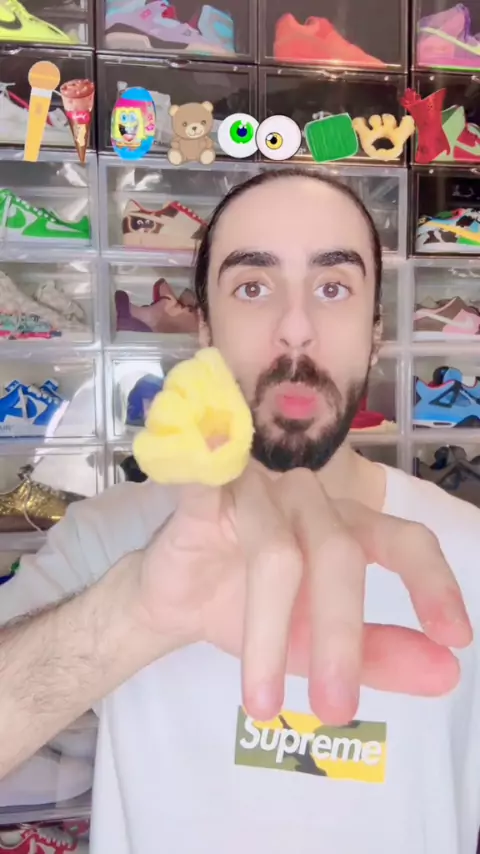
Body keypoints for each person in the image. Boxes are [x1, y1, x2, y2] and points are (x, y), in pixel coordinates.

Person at [0, 167, 479, 854]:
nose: (295, 330)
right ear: (205, 329)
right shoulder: (105, 537)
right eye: (253, 287)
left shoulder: (469, 552)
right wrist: (131, 614)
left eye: (333, 287)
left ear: (376, 332)